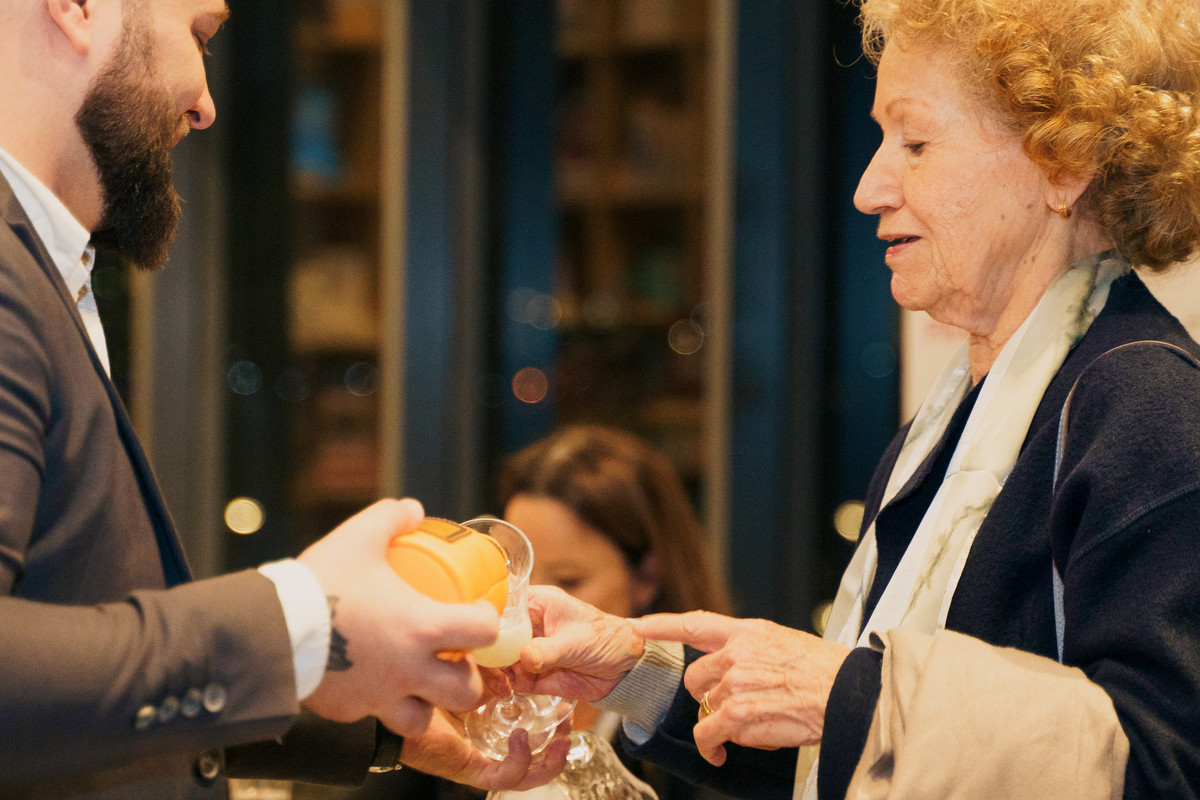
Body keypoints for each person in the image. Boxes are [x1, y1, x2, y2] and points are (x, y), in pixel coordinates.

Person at [504, 0, 1200, 798]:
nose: (870, 187)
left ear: (1063, 163)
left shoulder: (1145, 407)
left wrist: (841, 691)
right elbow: (857, 756)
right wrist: (637, 675)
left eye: (916, 142)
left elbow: (1164, 767)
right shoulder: (951, 427)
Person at [0, 1, 567, 797]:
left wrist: (373, 703)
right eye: (199, 36)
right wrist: (300, 619)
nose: (205, 104)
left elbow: (76, 670)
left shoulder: (42, 270)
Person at [343, 424, 733, 800]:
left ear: (647, 577)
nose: (531, 607)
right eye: (511, 578)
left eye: (568, 581)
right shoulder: (458, 716)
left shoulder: (705, 733)